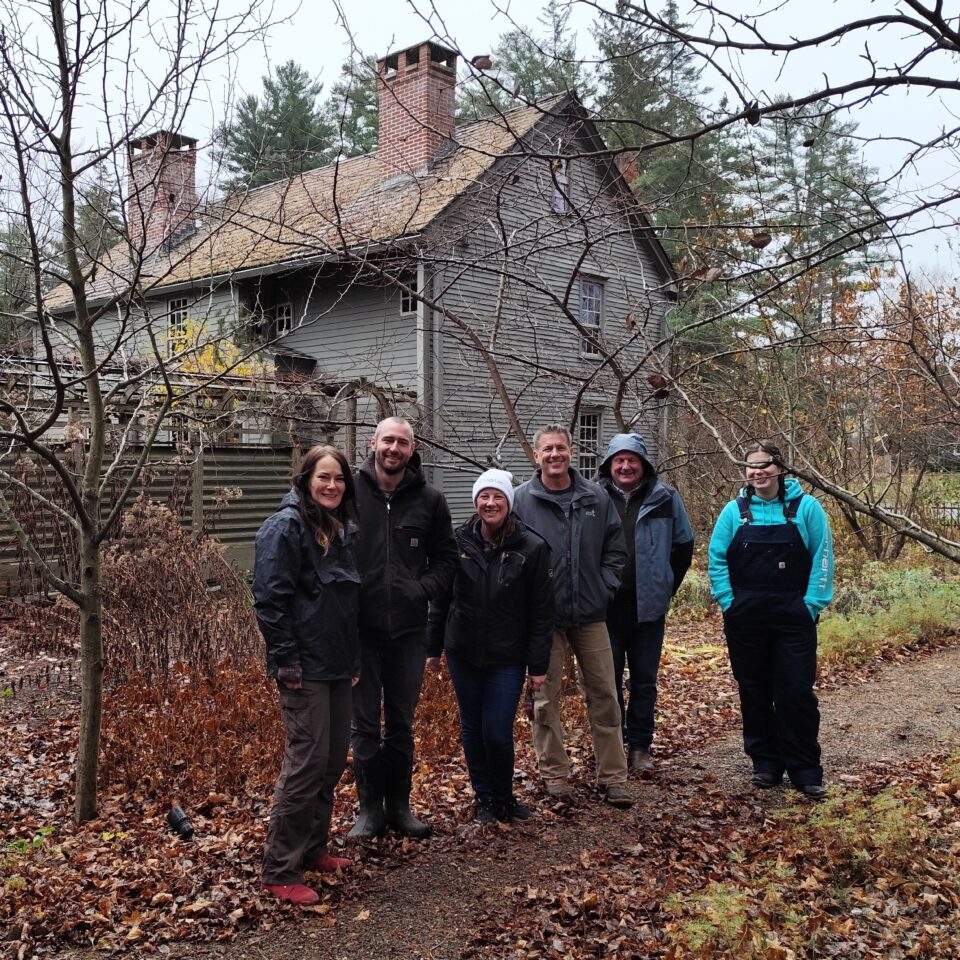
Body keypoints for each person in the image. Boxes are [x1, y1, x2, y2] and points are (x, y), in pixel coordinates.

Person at [253, 445, 360, 906]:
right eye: (324, 477)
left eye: (338, 478)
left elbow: (342, 605)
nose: (332, 485)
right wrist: (287, 661)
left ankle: (314, 848)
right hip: (305, 669)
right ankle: (280, 868)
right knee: (306, 764)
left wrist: (352, 660)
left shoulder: (337, 529)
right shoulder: (286, 528)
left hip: (337, 665)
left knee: (333, 760)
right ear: (306, 480)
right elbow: (271, 602)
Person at [513, 424, 633, 808]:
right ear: (536, 456)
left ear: (571, 452)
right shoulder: (521, 500)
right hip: (543, 619)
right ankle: (555, 776)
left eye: (561, 448)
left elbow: (616, 549)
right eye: (547, 449)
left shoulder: (595, 497)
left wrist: (605, 586)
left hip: (591, 615)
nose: (554, 455)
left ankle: (613, 777)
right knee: (544, 698)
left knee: (605, 695)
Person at [350, 416, 458, 839]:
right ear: (373, 443)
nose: (394, 449)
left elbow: (447, 560)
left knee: (400, 723)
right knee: (362, 724)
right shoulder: (349, 492)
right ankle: (368, 811)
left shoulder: (430, 500)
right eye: (388, 440)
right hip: (360, 630)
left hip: (409, 633)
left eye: (403, 443)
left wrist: (421, 590)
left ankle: (399, 807)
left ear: (414, 450)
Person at [425, 469, 554, 824]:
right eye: (484, 496)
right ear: (475, 501)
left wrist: (537, 666)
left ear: (509, 503)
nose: (490, 502)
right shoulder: (457, 542)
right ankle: (484, 798)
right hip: (463, 652)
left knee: (496, 731)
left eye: (498, 496)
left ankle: (503, 796)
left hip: (507, 656)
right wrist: (433, 648)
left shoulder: (532, 547)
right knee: (472, 726)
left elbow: (541, 613)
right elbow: (441, 600)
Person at [708, 440, 834, 800]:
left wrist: (811, 605)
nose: (757, 472)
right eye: (751, 467)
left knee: (795, 693)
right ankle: (765, 763)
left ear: (780, 468)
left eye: (764, 465)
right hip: (745, 619)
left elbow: (823, 558)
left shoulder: (806, 508)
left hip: (793, 618)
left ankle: (805, 769)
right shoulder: (735, 511)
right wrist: (728, 603)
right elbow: (716, 559)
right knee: (754, 692)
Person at [597, 433, 694, 773]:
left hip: (648, 609)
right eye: (618, 461)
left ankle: (640, 748)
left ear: (643, 465)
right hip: (605, 608)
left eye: (632, 460)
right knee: (606, 682)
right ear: (609, 465)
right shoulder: (595, 497)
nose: (625, 466)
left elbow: (683, 547)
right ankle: (612, 748)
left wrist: (665, 585)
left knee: (644, 681)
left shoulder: (665, 498)